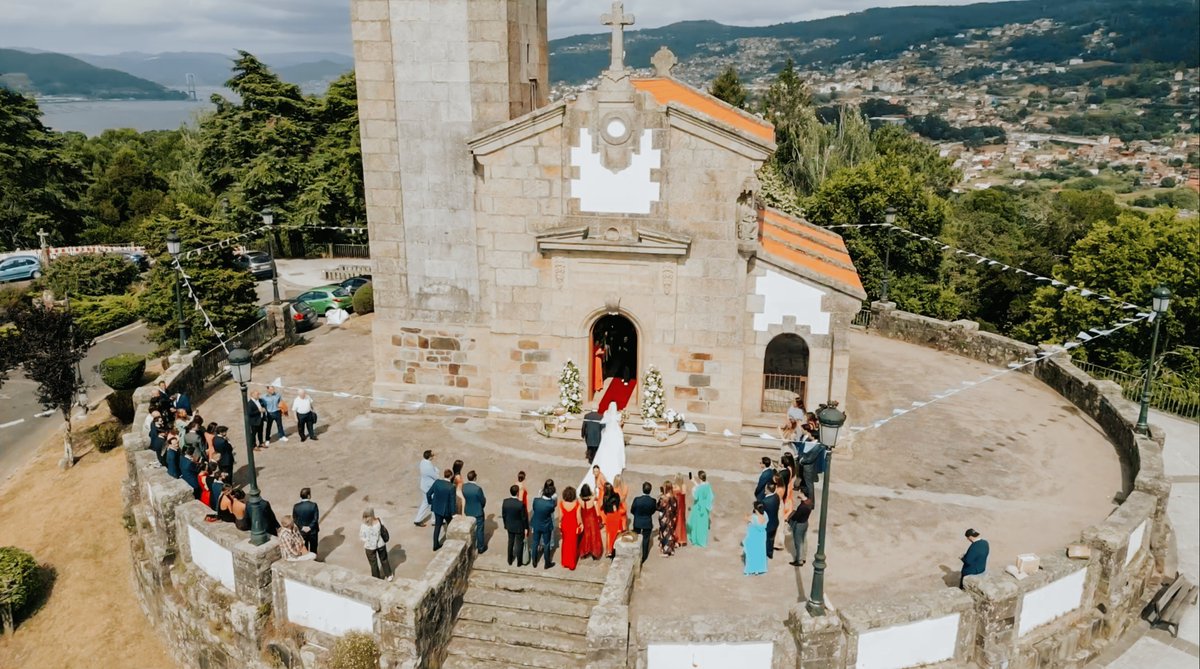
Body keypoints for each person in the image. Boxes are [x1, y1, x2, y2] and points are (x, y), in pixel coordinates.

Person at [583, 403, 626, 493]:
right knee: (616, 450)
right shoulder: (618, 415)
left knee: (605, 450)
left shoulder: (606, 414)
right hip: (616, 434)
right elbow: (621, 423)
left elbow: (603, 424)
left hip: (608, 435)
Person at [427, 469, 457, 551]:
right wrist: (454, 513)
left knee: (437, 527)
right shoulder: (451, 487)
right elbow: (452, 502)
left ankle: (435, 545)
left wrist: (431, 502)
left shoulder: (437, 482)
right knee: (450, 526)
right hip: (446, 511)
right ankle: (452, 542)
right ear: (450, 476)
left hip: (437, 509)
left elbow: (428, 493)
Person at [360, 508, 393, 581]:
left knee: (373, 564)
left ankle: (376, 578)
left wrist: (369, 540)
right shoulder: (379, 521)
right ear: (372, 514)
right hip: (380, 544)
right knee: (384, 559)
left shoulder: (363, 526)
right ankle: (389, 575)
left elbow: (362, 537)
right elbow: (383, 529)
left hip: (369, 547)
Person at [530, 482, 557, 569]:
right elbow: (552, 511)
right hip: (546, 526)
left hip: (536, 524)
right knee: (546, 543)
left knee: (535, 542)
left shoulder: (536, 500)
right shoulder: (551, 504)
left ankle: (534, 561)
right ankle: (547, 562)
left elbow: (534, 509)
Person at [502, 485, 529, 567]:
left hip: (509, 526)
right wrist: (526, 528)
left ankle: (509, 560)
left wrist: (505, 525)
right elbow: (524, 518)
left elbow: (504, 515)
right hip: (519, 527)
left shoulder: (505, 502)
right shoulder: (520, 504)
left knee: (510, 542)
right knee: (519, 544)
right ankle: (519, 562)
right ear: (517, 493)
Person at [787, 484, 814, 567]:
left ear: (802, 493)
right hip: (805, 523)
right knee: (803, 540)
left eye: (800, 491)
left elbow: (796, 516)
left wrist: (789, 518)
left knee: (798, 542)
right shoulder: (809, 502)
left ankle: (799, 560)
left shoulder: (803, 507)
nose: (798, 492)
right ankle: (803, 557)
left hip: (799, 524)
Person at [630, 482, 657, 564]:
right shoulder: (653, 501)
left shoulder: (637, 500)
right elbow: (653, 511)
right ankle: (643, 557)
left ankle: (634, 553)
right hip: (647, 522)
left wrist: (637, 516)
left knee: (635, 538)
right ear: (650, 490)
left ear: (642, 489)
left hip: (637, 522)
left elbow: (632, 510)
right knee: (646, 540)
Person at [462, 470, 488, 553]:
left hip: (468, 510)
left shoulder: (464, 486)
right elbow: (482, 501)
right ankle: (480, 547)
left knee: (470, 528)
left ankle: (470, 544)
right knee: (480, 529)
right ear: (475, 478)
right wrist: (481, 506)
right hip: (477, 511)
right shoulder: (477, 489)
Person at [686, 471, 713, 547]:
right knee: (703, 524)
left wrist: (693, 488)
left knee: (695, 523)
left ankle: (696, 540)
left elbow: (696, 496)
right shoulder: (708, 485)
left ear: (699, 477)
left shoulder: (698, 488)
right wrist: (694, 482)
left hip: (698, 507)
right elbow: (710, 495)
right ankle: (702, 540)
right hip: (705, 507)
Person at [558, 486, 583, 570]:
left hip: (565, 525)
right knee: (573, 544)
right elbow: (578, 517)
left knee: (565, 543)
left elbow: (560, 516)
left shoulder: (561, 504)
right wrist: (581, 524)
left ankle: (565, 562)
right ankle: (571, 564)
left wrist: (560, 523)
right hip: (573, 525)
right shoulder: (577, 504)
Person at [578, 484, 604, 561]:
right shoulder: (592, 499)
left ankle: (585, 551)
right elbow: (595, 497)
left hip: (584, 519)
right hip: (592, 519)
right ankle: (595, 553)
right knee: (594, 535)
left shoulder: (579, 500)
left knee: (585, 536)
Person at [743, 501, 768, 576]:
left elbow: (745, 518)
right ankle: (759, 569)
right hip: (761, 536)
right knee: (760, 553)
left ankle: (750, 569)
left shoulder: (753, 518)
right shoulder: (766, 515)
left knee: (751, 553)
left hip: (753, 537)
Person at [293, 487, 320, 555]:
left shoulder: (296, 506)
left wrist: (302, 527)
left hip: (302, 532)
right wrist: (310, 527)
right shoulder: (313, 505)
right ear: (308, 495)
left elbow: (295, 519)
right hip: (313, 531)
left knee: (304, 548)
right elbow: (315, 518)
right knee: (313, 548)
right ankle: (314, 560)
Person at [414, 450, 438, 526]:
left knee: (425, 503)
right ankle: (434, 520)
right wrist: (437, 470)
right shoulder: (429, 466)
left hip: (424, 486)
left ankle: (418, 519)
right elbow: (435, 476)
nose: (434, 456)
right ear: (430, 457)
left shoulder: (422, 462)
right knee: (434, 503)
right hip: (429, 488)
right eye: (433, 455)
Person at [602, 483, 625, 558]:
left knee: (609, 534)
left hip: (609, 516)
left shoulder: (605, 497)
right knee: (616, 534)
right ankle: (614, 549)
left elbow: (605, 509)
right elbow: (617, 505)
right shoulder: (617, 495)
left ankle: (609, 551)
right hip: (616, 515)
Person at [657, 481, 678, 557]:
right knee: (670, 533)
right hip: (671, 518)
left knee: (664, 534)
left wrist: (659, 498)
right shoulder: (674, 497)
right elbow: (676, 508)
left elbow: (658, 507)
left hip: (664, 518)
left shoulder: (664, 498)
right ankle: (671, 550)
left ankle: (665, 551)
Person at [762, 482, 780, 559]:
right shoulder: (776, 497)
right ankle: (770, 553)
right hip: (775, 522)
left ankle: (764, 554)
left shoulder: (765, 501)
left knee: (765, 540)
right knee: (771, 539)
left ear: (768, 489)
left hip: (767, 524)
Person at [672, 475, 688, 548]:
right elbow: (683, 493)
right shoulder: (683, 486)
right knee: (681, 522)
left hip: (676, 506)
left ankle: (676, 539)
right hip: (681, 506)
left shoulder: (674, 487)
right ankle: (681, 539)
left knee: (676, 522)